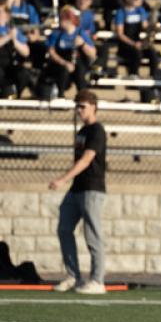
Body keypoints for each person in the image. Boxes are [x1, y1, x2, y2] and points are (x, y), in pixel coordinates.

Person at [49, 89, 107, 295]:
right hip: (77, 188)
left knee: (92, 234)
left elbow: (87, 159)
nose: (79, 110)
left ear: (93, 107)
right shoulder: (81, 132)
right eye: (77, 106)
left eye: (83, 106)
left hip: (92, 188)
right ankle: (74, 276)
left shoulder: (97, 131)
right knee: (64, 228)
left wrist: (63, 179)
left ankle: (97, 280)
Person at [40, 5, 96, 98]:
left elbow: (93, 53)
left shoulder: (80, 33)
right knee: (64, 70)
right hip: (61, 63)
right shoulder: (57, 33)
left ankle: (82, 96)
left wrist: (82, 44)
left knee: (80, 70)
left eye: (64, 19)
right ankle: (60, 95)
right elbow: (51, 51)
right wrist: (65, 63)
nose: (61, 21)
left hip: (78, 64)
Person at [114, 0, 159, 79]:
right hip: (126, 44)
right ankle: (133, 74)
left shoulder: (140, 10)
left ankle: (153, 76)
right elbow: (120, 34)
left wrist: (153, 26)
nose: (140, 0)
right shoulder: (121, 12)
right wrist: (134, 44)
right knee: (137, 53)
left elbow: (145, 26)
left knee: (152, 53)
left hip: (137, 41)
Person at [0, 0, 30, 98]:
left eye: (2, 12)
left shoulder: (13, 30)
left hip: (10, 65)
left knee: (23, 73)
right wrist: (8, 37)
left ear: (7, 15)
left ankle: (19, 95)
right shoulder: (10, 33)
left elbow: (26, 52)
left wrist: (15, 41)